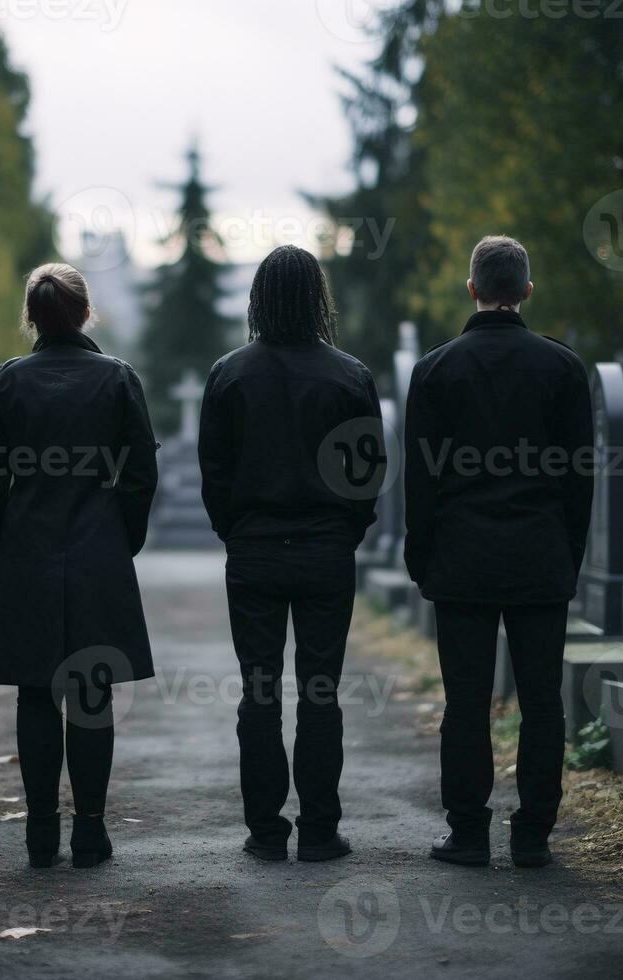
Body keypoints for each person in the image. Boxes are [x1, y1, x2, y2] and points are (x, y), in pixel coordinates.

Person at [401, 235, 593, 869]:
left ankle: (468, 832)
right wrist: (570, 554)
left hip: (461, 558)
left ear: (472, 288)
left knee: (466, 701)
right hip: (540, 556)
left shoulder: (434, 370)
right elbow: (578, 478)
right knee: (542, 700)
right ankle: (534, 833)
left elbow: (420, 480)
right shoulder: (563, 369)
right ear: (527, 291)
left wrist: (421, 558)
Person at [0, 263, 158, 869]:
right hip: (97, 546)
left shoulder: (6, 383)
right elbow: (139, 475)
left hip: (28, 547)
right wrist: (121, 539)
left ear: (31, 316)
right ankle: (92, 832)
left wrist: (5, 549)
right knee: (91, 692)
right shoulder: (117, 379)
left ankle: (40, 833)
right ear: (84, 313)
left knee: (34, 694)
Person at [198, 244, 381, 863]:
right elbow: (366, 475)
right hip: (327, 549)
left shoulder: (228, 374)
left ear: (258, 300)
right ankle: (321, 831)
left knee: (259, 690)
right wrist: (344, 531)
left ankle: (266, 831)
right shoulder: (350, 376)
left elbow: (214, 473)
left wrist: (237, 531)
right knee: (321, 688)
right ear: (317, 299)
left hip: (253, 550)